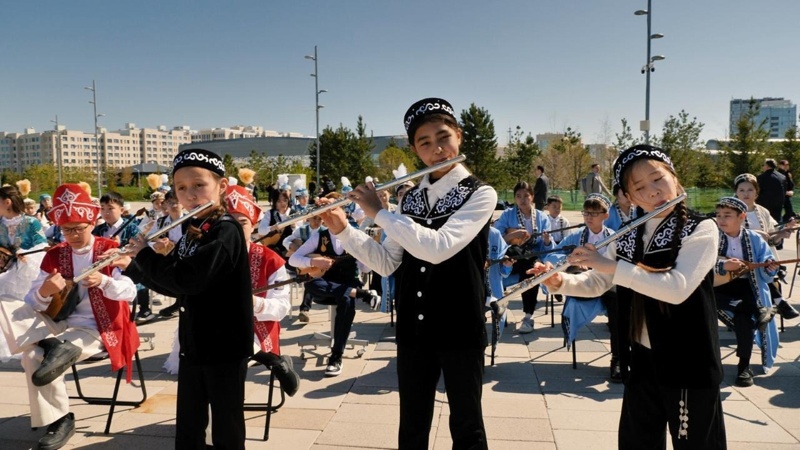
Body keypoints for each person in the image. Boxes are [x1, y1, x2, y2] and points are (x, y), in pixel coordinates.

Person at [319, 97, 497, 449]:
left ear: (459, 136)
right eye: (424, 143)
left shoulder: (480, 193)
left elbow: (438, 247)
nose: (437, 150)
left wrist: (379, 213)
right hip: (415, 326)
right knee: (412, 425)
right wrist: (342, 229)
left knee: (467, 426)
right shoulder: (410, 199)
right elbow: (388, 262)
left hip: (460, 323)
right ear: (415, 150)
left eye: (443, 137)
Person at [535, 145, 726, 448]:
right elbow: (597, 282)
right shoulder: (627, 234)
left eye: (658, 179)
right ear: (628, 196)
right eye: (639, 187)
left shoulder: (701, 228)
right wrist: (560, 281)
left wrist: (609, 265)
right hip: (642, 357)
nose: (653, 191)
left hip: (688, 359)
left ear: (674, 177)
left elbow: (677, 288)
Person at [120, 148, 253, 448]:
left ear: (222, 186)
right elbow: (176, 286)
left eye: (199, 185)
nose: (190, 195)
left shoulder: (225, 230)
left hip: (224, 345)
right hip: (194, 341)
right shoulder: (194, 228)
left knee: (227, 426)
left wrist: (144, 256)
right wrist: (134, 266)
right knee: (189, 423)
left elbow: (188, 280)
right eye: (181, 188)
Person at [21, 183, 138, 450]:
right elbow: (32, 302)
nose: (72, 235)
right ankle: (60, 418)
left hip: (100, 325)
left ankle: (57, 411)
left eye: (78, 228)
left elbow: (130, 292)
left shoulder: (109, 249)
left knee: (49, 355)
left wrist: (104, 282)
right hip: (61, 323)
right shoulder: (55, 254)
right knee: (30, 356)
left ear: (92, 223)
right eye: (66, 229)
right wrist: (43, 291)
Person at [288, 192, 377, 377]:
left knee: (346, 299)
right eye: (325, 212)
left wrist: (366, 254)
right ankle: (361, 294)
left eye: (333, 211)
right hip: (326, 284)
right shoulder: (318, 237)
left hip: (348, 281)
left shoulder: (354, 235)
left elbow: (366, 269)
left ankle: (336, 356)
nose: (329, 216)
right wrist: (314, 262)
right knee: (311, 284)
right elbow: (293, 260)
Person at [542, 194, 620, 382]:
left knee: (618, 305)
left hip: (608, 285)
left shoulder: (615, 237)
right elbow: (553, 256)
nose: (589, 217)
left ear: (606, 215)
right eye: (586, 213)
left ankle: (618, 357)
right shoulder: (576, 236)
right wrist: (573, 262)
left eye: (594, 213)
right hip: (584, 285)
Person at [713, 197, 780, 387]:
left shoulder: (755, 238)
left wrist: (769, 267)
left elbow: (768, 266)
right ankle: (760, 311)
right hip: (718, 287)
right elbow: (701, 263)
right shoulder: (712, 237)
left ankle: (744, 366)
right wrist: (723, 265)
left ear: (742, 217)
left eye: (727, 215)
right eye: (719, 215)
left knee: (745, 320)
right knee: (738, 308)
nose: (721, 219)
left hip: (748, 286)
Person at [733, 173, 800, 319]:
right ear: (736, 192)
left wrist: (782, 233)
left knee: (764, 265)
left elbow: (771, 240)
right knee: (758, 268)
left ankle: (776, 303)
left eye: (750, 190)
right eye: (741, 190)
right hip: (741, 260)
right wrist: (755, 234)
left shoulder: (763, 211)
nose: (746, 194)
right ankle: (779, 301)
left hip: (765, 260)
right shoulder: (731, 211)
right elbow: (728, 234)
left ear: (756, 193)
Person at [493, 181, 553, 334]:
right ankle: (507, 304)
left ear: (532, 197)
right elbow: (496, 239)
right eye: (518, 196)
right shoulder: (507, 214)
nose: (522, 199)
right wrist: (512, 235)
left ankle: (527, 316)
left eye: (526, 196)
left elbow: (546, 248)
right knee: (525, 262)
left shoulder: (541, 217)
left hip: (532, 258)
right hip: (511, 259)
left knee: (532, 269)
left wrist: (547, 241)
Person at [92, 191, 152, 324]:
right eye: (103, 209)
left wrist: (119, 247)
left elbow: (138, 247)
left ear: (122, 210)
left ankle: (144, 308)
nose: (106, 212)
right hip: (107, 267)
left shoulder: (131, 228)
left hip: (127, 265)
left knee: (137, 277)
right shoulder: (98, 229)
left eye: (110, 208)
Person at [151, 189, 186, 319]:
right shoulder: (160, 222)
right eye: (170, 202)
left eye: (177, 202)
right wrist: (158, 243)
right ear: (165, 204)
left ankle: (181, 302)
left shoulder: (190, 220)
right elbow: (149, 239)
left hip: (186, 259)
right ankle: (179, 301)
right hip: (167, 258)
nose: (174, 205)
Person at [283, 214, 323, 323]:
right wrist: (292, 246)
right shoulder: (301, 230)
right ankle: (305, 309)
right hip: (300, 262)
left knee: (310, 276)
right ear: (308, 218)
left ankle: (305, 309)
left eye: (320, 218)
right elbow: (286, 240)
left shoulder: (325, 231)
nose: (316, 221)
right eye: (314, 218)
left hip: (315, 264)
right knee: (308, 275)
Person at [756, 158, 787, 225]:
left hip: (764, 205)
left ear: (767, 166)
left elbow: (757, 192)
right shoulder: (782, 177)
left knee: (764, 223)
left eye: (763, 165)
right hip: (778, 205)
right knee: (776, 224)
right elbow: (784, 191)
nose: (762, 167)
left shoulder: (761, 177)